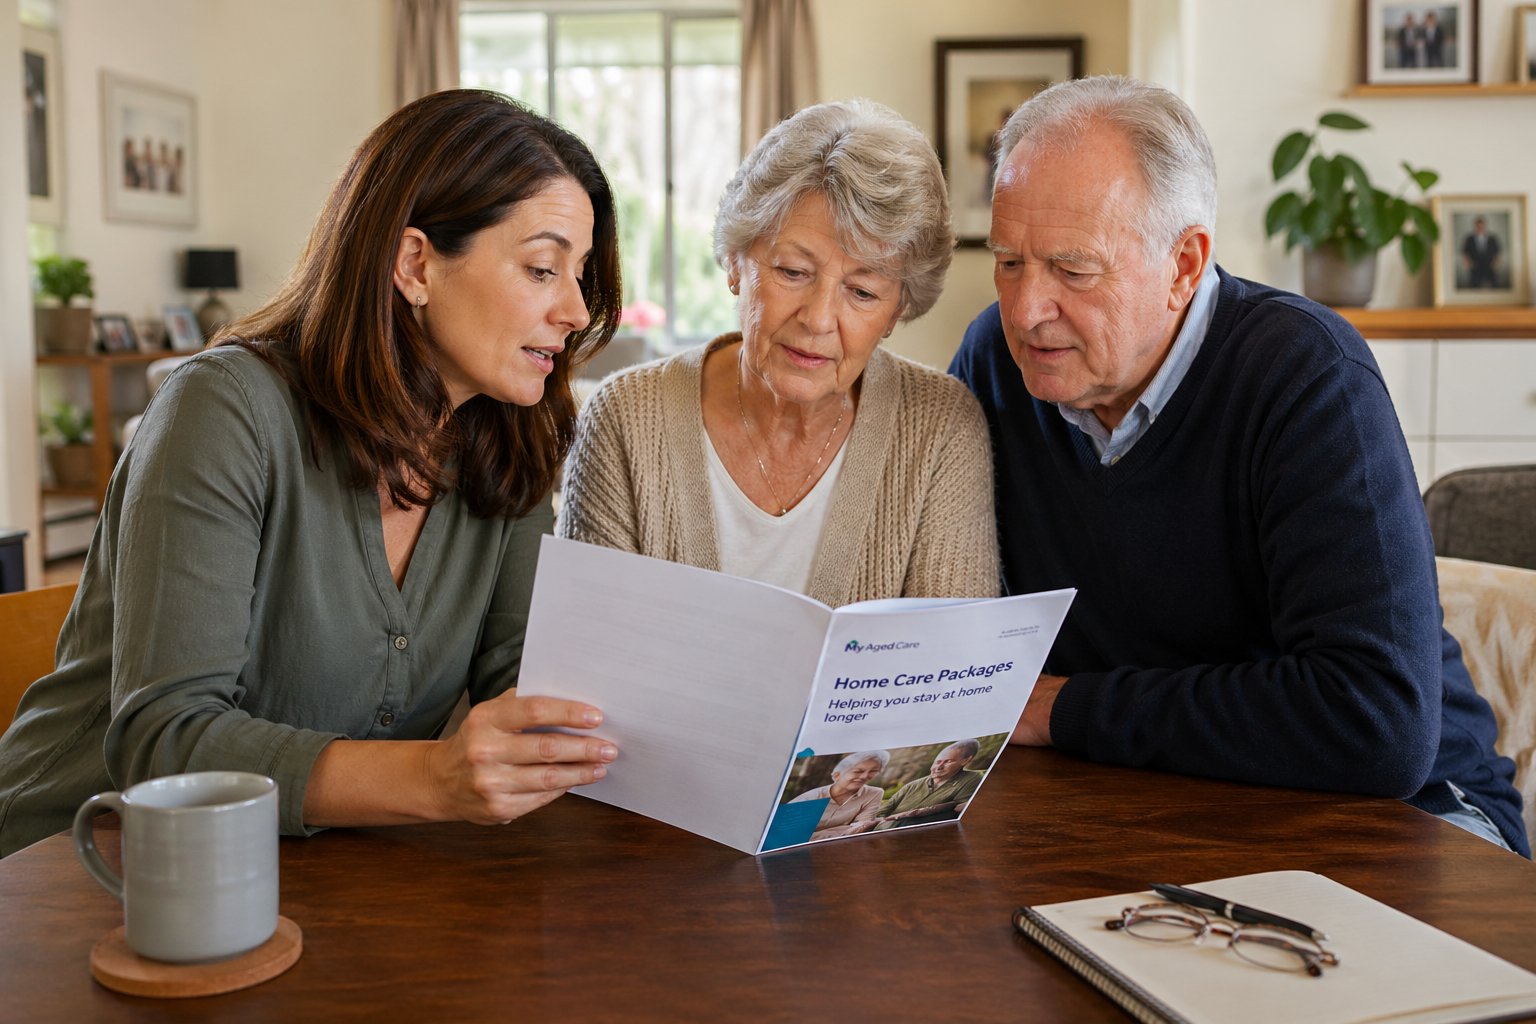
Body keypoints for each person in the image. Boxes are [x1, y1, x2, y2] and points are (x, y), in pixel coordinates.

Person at [0, 90, 625, 857]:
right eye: (542, 268)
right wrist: (434, 778)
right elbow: (167, 742)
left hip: (321, 874)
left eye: (581, 274)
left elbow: (528, 682)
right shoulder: (223, 411)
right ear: (415, 263)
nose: (574, 309)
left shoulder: (507, 442)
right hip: (80, 867)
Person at [948, 75, 1529, 857]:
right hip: (1151, 806)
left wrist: (1063, 709)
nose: (1025, 309)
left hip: (1411, 817)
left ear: (1184, 264)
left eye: (1072, 270)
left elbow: (1376, 724)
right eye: (1009, 261)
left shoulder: (1306, 375)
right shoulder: (994, 360)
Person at [558, 100, 998, 605]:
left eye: (862, 292)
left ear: (898, 309)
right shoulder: (625, 418)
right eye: (792, 272)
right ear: (733, 263)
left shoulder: (941, 430)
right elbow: (592, 658)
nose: (817, 318)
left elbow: (949, 669)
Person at [869, 740, 983, 830]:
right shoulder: (913, 785)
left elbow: (959, 808)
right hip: (884, 829)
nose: (938, 767)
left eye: (948, 761)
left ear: (966, 760)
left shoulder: (972, 778)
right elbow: (885, 810)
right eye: (938, 762)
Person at [788, 749, 888, 840]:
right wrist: (843, 830)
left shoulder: (874, 793)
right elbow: (791, 836)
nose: (865, 776)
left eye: (873, 771)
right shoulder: (810, 798)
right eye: (858, 771)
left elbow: (861, 827)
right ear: (837, 775)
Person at [1461, 216, 1503, 289]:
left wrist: (1496, 263)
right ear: (1475, 226)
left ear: (1485, 226)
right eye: (1478, 227)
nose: (1480, 228)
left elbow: (1497, 252)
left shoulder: (1492, 238)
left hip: (1489, 265)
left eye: (1482, 227)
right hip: (1475, 265)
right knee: (1473, 286)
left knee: (1495, 285)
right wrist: (1467, 263)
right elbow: (1465, 253)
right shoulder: (1469, 239)